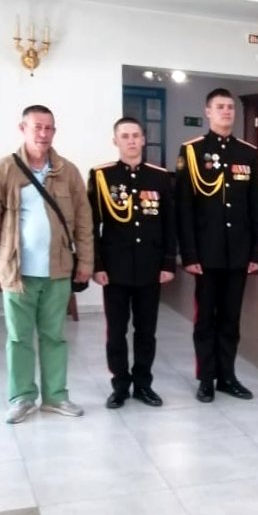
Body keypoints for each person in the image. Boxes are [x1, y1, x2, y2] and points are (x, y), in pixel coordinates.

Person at [0, 105, 93, 424]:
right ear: (22, 129)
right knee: (19, 338)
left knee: (55, 337)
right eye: (37, 127)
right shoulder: (4, 169)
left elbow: (84, 220)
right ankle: (22, 397)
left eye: (49, 128)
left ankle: (56, 396)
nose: (43, 133)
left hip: (58, 271)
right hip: (17, 272)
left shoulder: (68, 171)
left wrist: (86, 261)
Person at [176, 88, 258, 403]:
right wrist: (189, 253)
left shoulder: (247, 152)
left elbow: (255, 205)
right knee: (205, 320)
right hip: (206, 252)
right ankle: (206, 377)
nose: (227, 112)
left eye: (230, 107)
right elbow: (184, 206)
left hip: (237, 252)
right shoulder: (192, 151)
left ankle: (227, 376)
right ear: (208, 112)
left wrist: (255, 252)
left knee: (231, 319)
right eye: (220, 107)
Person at [87, 117, 176, 409]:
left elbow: (169, 224)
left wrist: (168, 263)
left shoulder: (160, 177)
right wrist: (98, 265)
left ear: (144, 139)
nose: (131, 141)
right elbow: (92, 225)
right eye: (125, 136)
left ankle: (143, 385)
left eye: (136, 135)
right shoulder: (101, 176)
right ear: (115, 141)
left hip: (150, 267)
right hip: (115, 269)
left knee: (146, 332)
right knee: (116, 332)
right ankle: (120, 385)